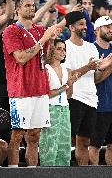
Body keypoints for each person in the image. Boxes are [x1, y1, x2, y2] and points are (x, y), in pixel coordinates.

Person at [2, 0, 61, 167]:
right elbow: (20, 58)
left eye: (33, 5)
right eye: (27, 5)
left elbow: (47, 59)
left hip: (40, 88)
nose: (31, 8)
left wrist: (50, 40)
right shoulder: (11, 31)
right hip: (20, 90)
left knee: (35, 136)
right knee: (17, 135)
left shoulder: (40, 30)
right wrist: (44, 39)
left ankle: (32, 172)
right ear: (17, 10)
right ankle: (13, 172)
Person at [63, 11, 112, 165]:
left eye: (85, 24)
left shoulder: (91, 48)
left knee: (85, 142)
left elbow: (95, 78)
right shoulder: (65, 46)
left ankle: (85, 173)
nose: (85, 27)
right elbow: (68, 77)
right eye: (81, 24)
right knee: (69, 141)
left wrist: (104, 68)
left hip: (91, 100)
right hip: (74, 98)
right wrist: (88, 67)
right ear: (71, 27)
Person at [39, 38, 80, 166]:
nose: (63, 52)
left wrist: (71, 84)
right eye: (59, 49)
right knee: (49, 144)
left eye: (64, 49)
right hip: (50, 109)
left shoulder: (66, 69)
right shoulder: (45, 68)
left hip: (65, 109)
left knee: (64, 146)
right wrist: (65, 86)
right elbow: (47, 94)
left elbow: (69, 95)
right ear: (52, 50)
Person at [89, 16, 112, 165]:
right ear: (97, 29)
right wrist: (109, 66)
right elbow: (94, 80)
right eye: (106, 26)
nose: (110, 29)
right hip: (98, 105)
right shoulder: (90, 50)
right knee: (94, 145)